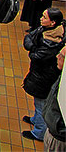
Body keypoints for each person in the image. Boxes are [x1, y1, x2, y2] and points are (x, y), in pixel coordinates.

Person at [21, 8, 65, 142]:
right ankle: (36, 120)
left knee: (41, 104)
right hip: (40, 74)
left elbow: (35, 56)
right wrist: (33, 46)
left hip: (44, 78)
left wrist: (32, 48)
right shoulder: (45, 30)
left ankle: (39, 132)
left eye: (44, 17)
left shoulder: (51, 43)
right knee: (38, 102)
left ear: (52, 22)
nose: (41, 18)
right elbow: (29, 37)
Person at [43, 45, 66, 150]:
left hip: (59, 137)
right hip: (53, 130)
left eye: (61, 56)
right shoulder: (60, 76)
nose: (57, 56)